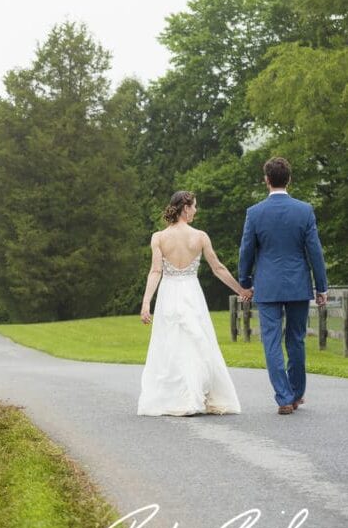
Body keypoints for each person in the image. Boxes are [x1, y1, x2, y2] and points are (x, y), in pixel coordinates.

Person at [138, 191, 249, 416]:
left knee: (172, 344)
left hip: (169, 293)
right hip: (190, 293)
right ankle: (196, 395)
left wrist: (146, 302)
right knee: (196, 342)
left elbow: (156, 271)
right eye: (194, 206)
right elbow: (218, 268)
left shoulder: (158, 237)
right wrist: (241, 290)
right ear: (185, 208)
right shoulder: (200, 236)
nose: (196, 210)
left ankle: (178, 397)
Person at [239, 157, 328, 415]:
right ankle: (297, 393)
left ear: (267, 180)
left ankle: (284, 397)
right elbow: (315, 252)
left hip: (267, 287)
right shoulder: (304, 210)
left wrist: (245, 282)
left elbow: (246, 251)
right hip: (298, 284)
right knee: (296, 339)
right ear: (289, 179)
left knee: (271, 341)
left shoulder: (254, 213)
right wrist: (321, 287)